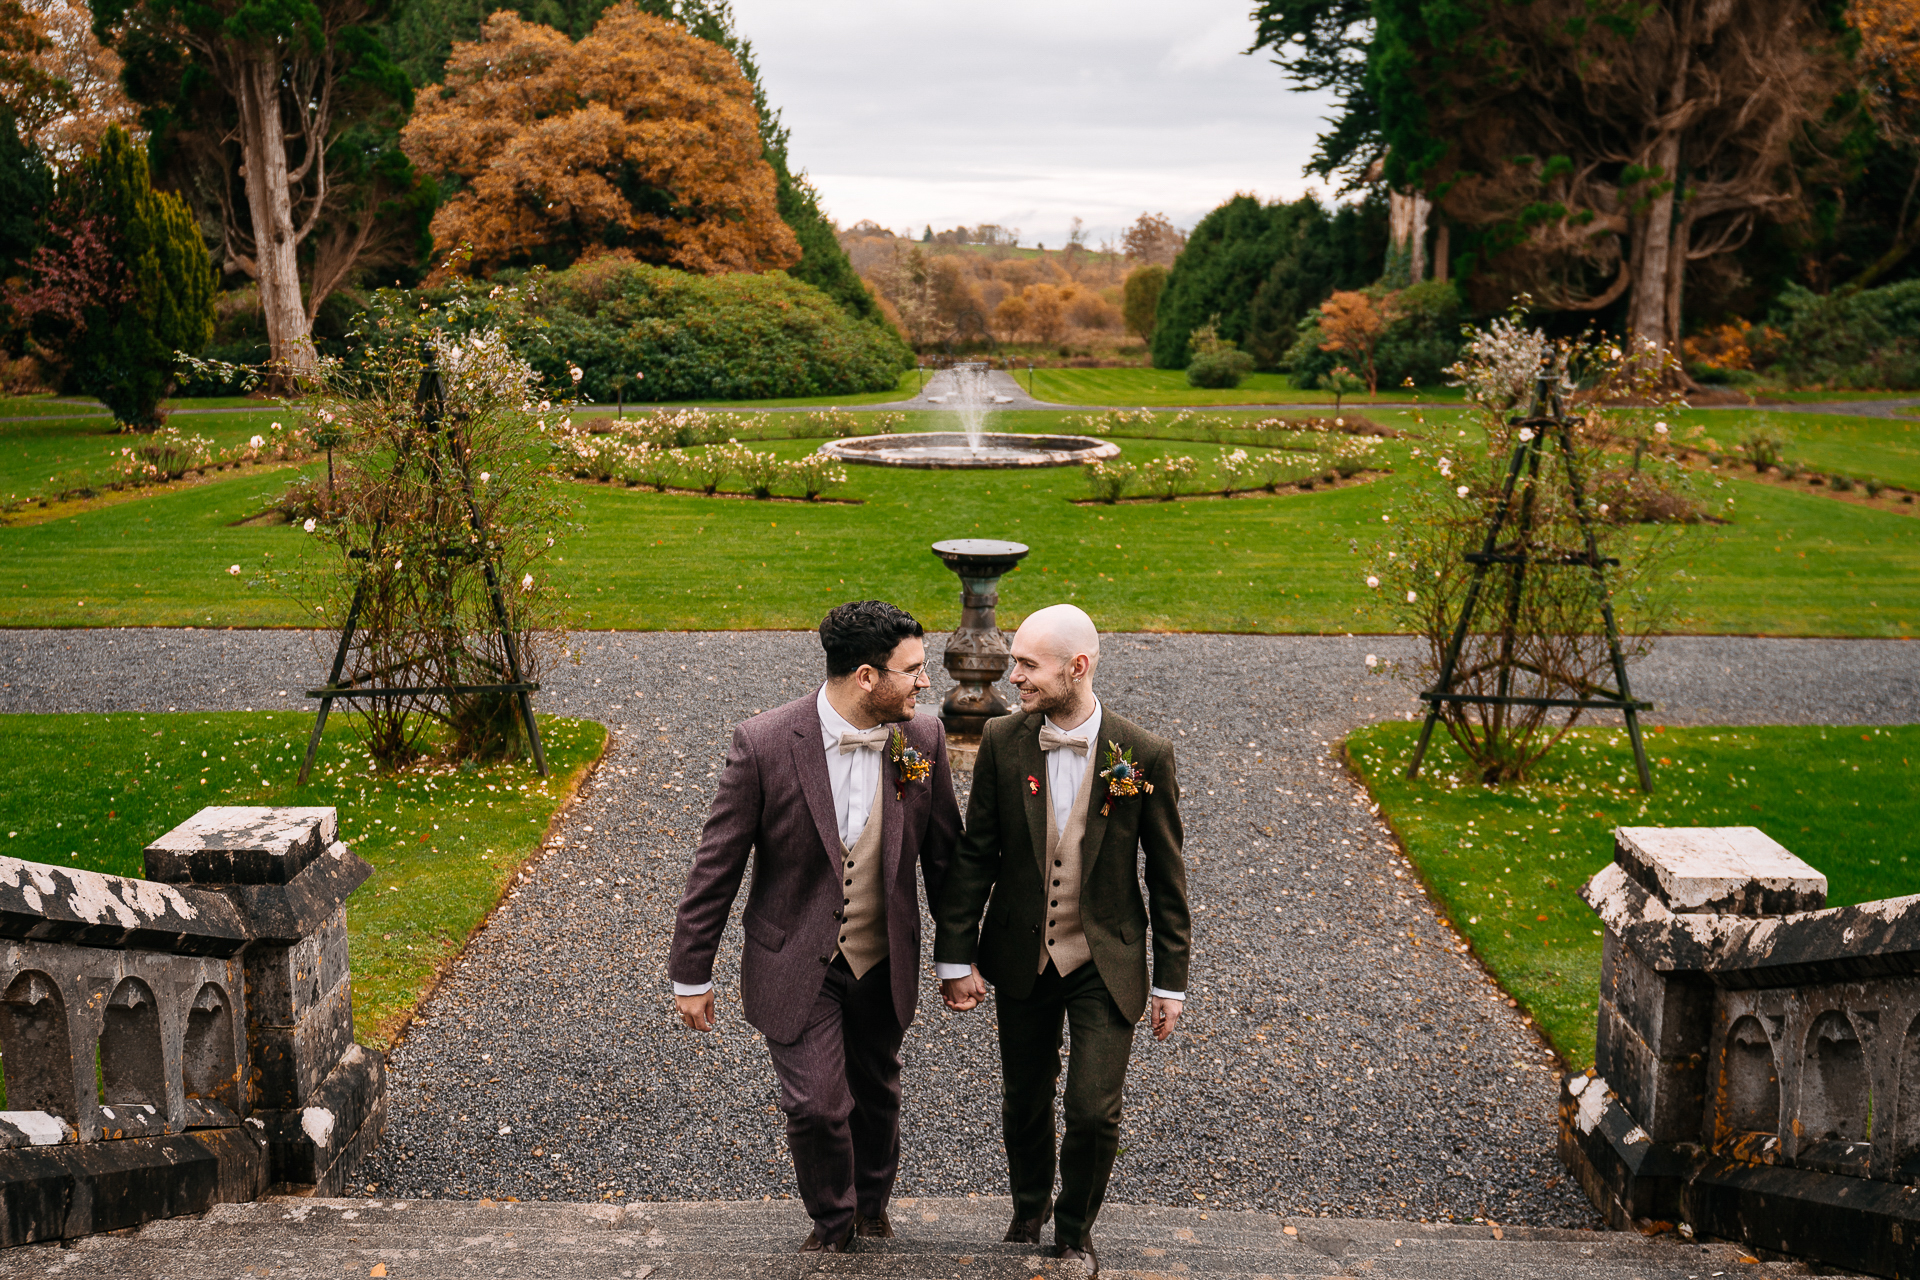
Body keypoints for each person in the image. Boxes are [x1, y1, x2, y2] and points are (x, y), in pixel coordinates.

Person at [669, 600, 961, 1252]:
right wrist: (692, 971)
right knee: (818, 1106)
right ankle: (832, 1225)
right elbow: (716, 866)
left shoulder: (922, 741)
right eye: (912, 670)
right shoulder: (765, 744)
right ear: (866, 676)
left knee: (877, 1087)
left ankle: (870, 1207)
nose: (924, 683)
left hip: (884, 956)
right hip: (796, 956)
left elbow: (947, 861)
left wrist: (957, 959)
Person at [933, 604, 1190, 1276]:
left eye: (1027, 665)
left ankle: (1074, 1229)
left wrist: (1170, 983)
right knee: (1024, 1095)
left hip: (1105, 958)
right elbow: (975, 856)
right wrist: (955, 955)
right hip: (1021, 951)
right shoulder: (1002, 741)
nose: (1012, 675)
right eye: (1014, 661)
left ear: (1077, 668)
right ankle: (1027, 1207)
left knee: (1093, 1109)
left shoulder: (1145, 754)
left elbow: (1168, 880)